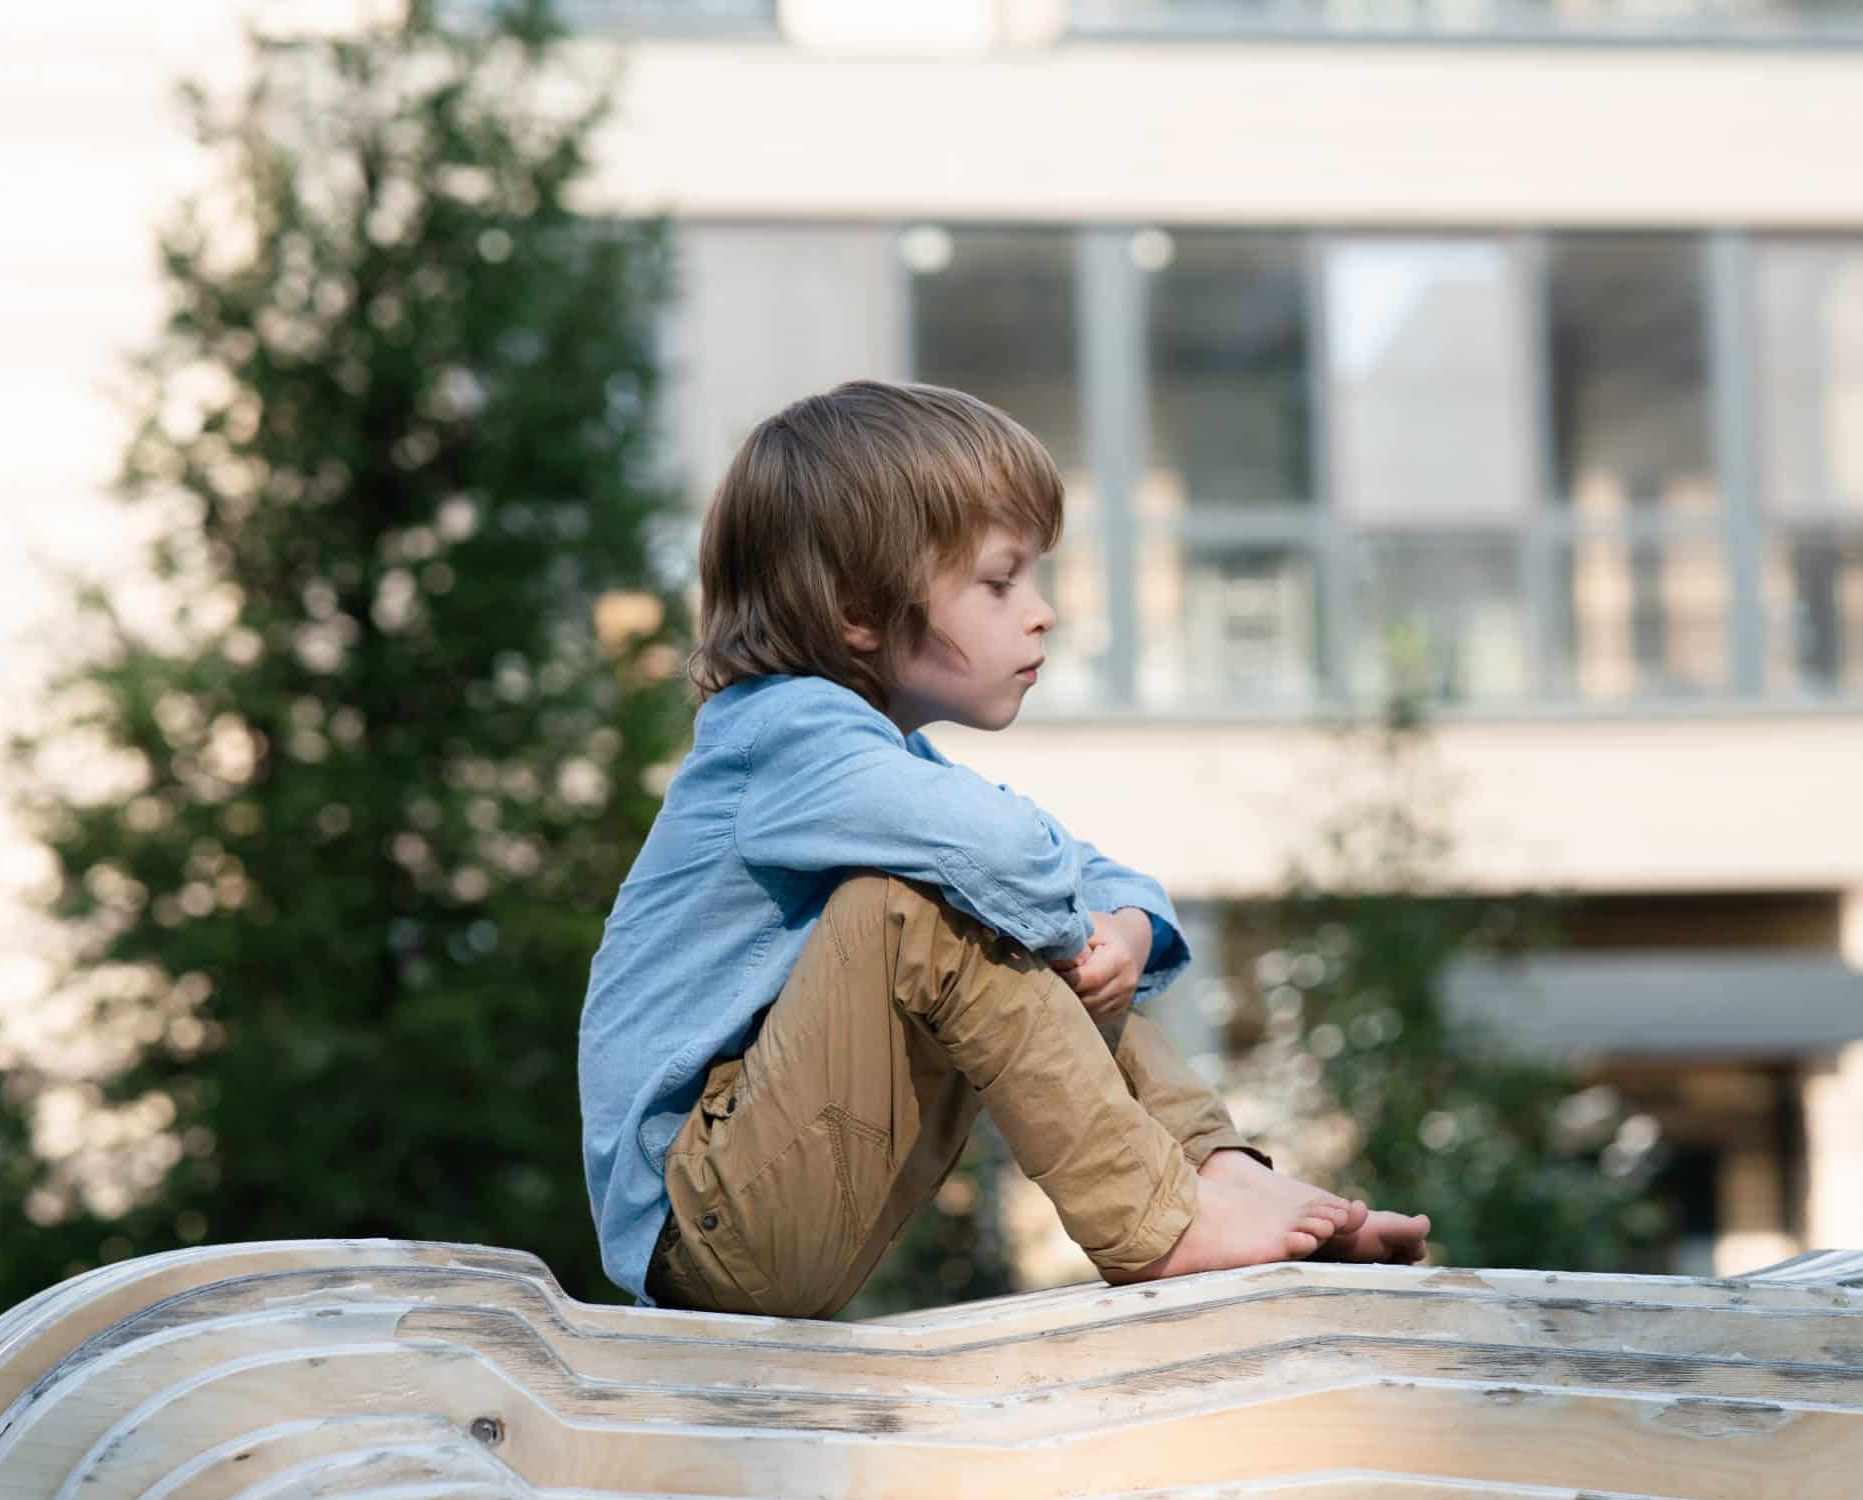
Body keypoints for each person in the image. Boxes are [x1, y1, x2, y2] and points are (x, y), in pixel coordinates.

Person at [578, 379, 1429, 1318]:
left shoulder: (887, 762)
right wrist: (1078, 928)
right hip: (704, 1219)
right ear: (861, 610)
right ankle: (1161, 1222)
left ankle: (1216, 1170)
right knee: (920, 909)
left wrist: (1126, 933)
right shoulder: (781, 739)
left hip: (782, 1187)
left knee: (1005, 918)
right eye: (998, 582)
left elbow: (1075, 868)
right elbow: (1013, 855)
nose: (1040, 612)